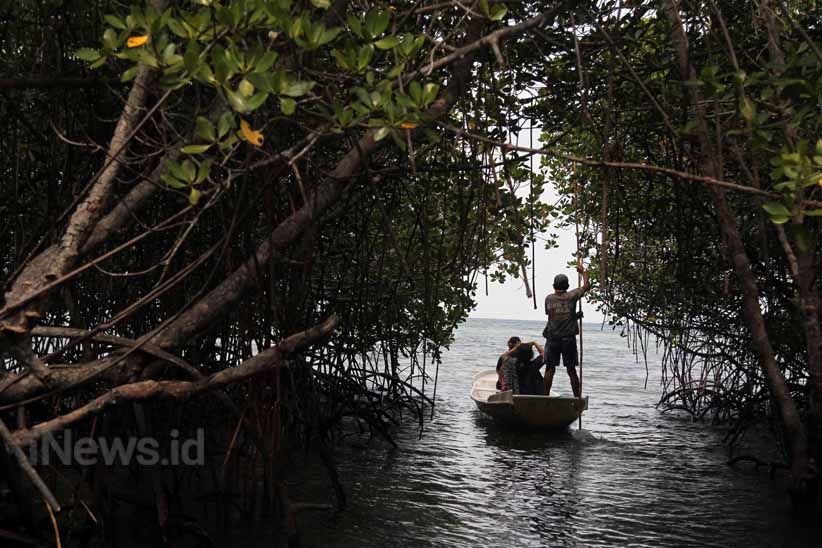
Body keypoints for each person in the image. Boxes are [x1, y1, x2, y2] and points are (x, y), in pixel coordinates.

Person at [542, 264, 590, 397]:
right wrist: (583, 272)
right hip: (568, 339)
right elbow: (586, 287)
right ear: (567, 287)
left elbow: (554, 316)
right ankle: (577, 397)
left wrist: (574, 316)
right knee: (571, 370)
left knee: (549, 369)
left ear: (553, 286)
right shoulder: (571, 296)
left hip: (552, 339)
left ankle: (544, 397)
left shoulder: (549, 298)